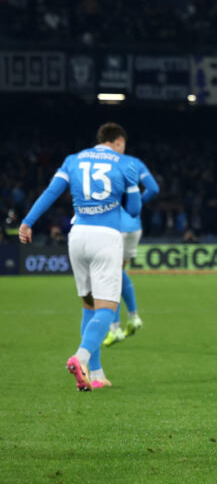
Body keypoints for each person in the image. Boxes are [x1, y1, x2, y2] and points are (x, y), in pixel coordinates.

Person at [19, 123, 141, 390]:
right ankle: (81, 358)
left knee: (89, 306)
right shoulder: (123, 163)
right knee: (107, 309)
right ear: (118, 142)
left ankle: (95, 376)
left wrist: (28, 222)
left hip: (78, 236)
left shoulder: (73, 160)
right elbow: (133, 210)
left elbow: (51, 192)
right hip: (105, 237)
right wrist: (131, 187)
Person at [103, 153, 160, 346]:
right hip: (134, 226)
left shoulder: (101, 164)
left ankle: (115, 328)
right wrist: (135, 204)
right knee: (118, 273)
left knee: (112, 276)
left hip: (115, 226)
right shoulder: (135, 163)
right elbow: (153, 188)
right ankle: (134, 316)